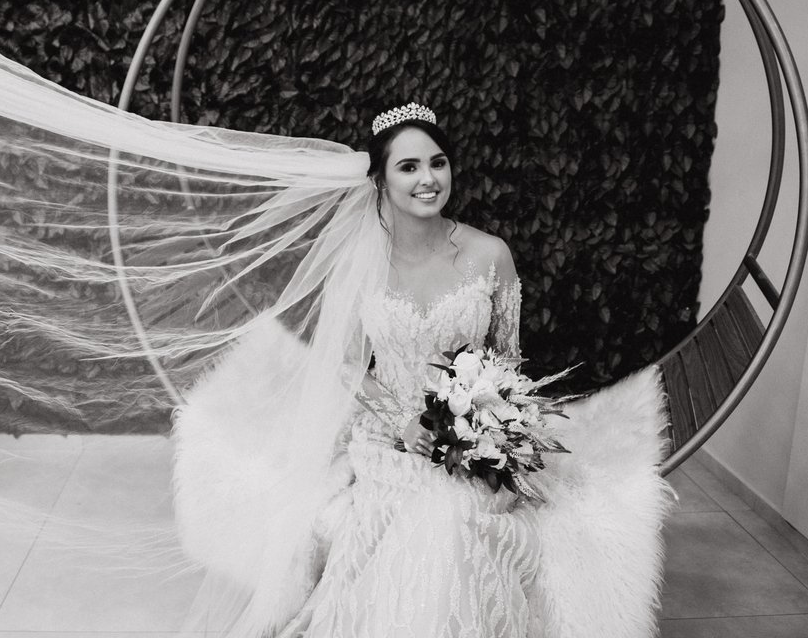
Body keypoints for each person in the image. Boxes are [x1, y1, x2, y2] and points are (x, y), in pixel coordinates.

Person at [172, 104, 675, 638]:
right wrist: (402, 422)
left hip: (473, 437)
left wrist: (490, 429)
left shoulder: (490, 255)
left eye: (437, 163)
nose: (428, 178)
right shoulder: (362, 261)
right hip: (389, 436)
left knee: (456, 512)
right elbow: (348, 364)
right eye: (408, 167)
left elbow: (506, 362)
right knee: (425, 510)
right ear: (381, 181)